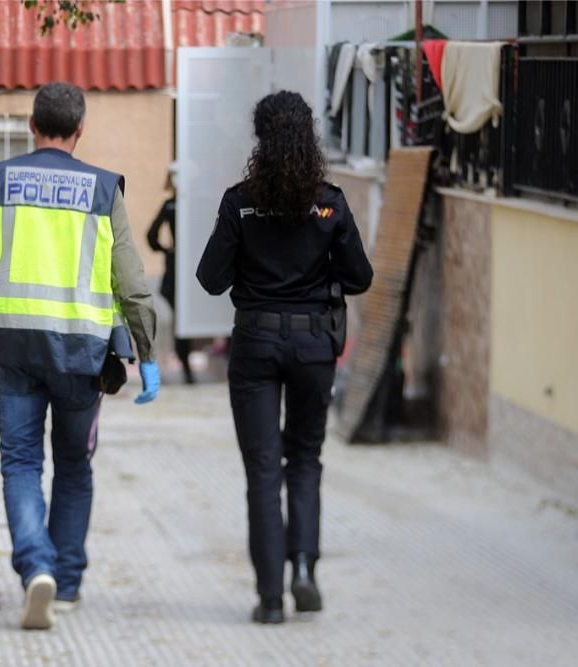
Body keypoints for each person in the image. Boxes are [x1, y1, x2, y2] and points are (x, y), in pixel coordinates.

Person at [0, 81, 160, 630]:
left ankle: (35, 567)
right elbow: (131, 280)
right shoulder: (102, 188)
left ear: (30, 125)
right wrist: (147, 350)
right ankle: (64, 584)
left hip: (11, 347)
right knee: (73, 466)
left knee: (20, 463)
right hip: (82, 355)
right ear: (81, 128)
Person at [196, 91, 373, 624]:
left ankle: (270, 599)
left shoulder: (240, 201)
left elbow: (210, 279)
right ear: (308, 137)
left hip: (255, 345)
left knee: (263, 471)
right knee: (306, 460)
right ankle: (304, 571)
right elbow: (361, 277)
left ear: (260, 140)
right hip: (316, 346)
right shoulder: (330, 202)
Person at [146, 163, 195, 384]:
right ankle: (184, 364)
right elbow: (151, 236)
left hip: (178, 267)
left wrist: (166, 250)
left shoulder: (172, 205)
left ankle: (184, 363)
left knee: (181, 317)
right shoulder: (190, 204)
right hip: (189, 266)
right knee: (184, 317)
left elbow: (151, 236)